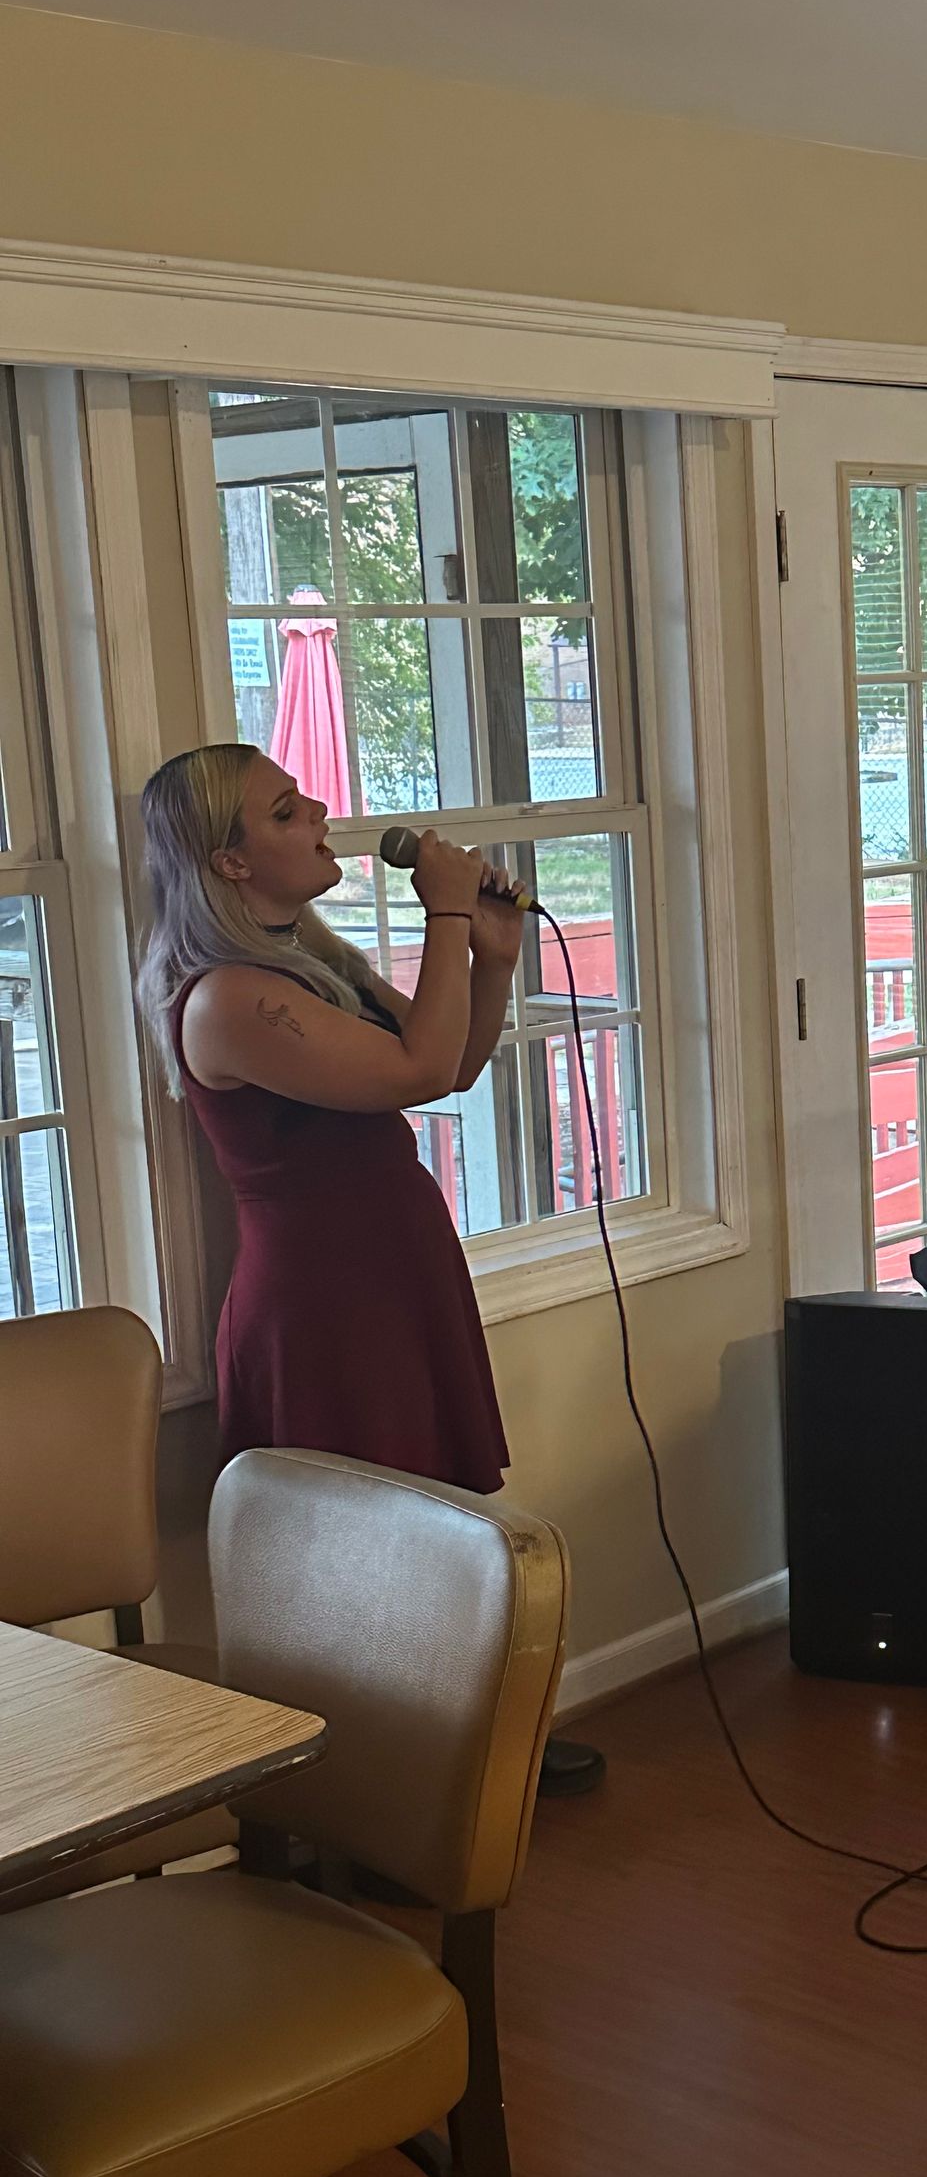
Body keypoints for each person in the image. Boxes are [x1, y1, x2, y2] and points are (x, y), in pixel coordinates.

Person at [137, 741, 601, 1793]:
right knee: (354, 1555)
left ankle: (451, 1768)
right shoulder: (226, 999)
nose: (318, 815)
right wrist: (445, 912)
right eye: (285, 812)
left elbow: (451, 1066)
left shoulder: (309, 965)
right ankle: (359, 1792)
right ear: (229, 863)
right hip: (323, 1299)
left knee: (430, 1524)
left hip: (392, 1268)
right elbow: (417, 1067)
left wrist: (492, 959)